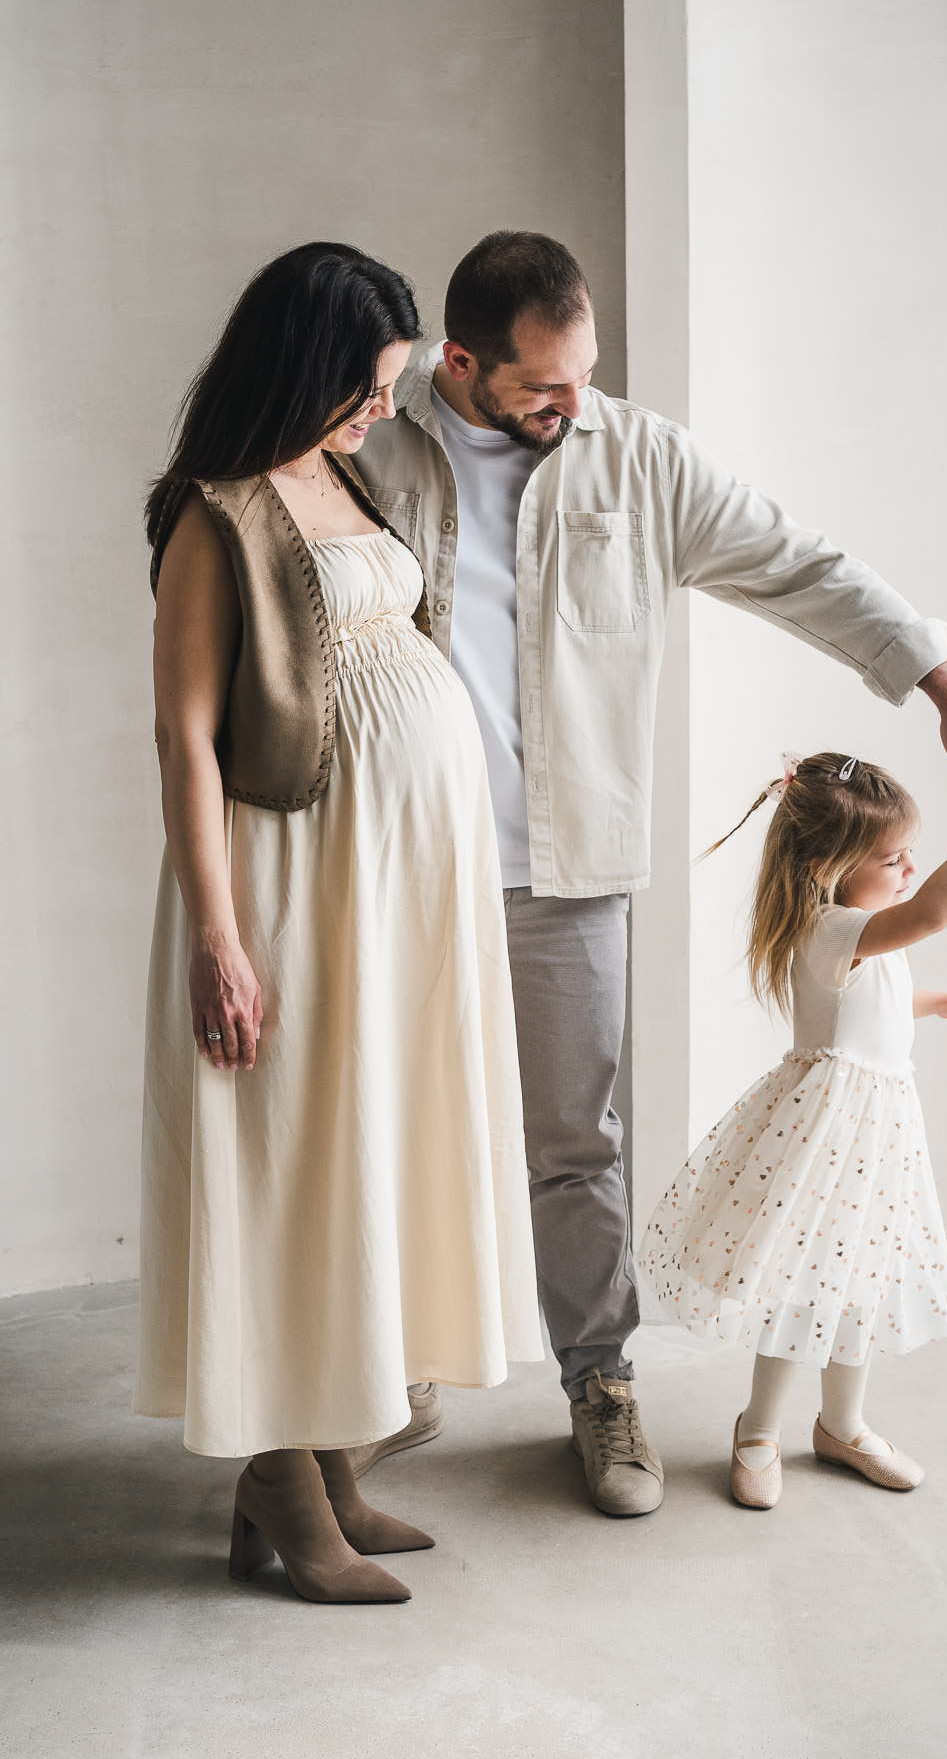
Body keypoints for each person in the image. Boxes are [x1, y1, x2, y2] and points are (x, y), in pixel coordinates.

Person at [349, 230, 947, 1518]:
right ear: (459, 362)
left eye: (586, 373)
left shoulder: (636, 457)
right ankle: (393, 1382)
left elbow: (800, 566)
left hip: (566, 868)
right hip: (396, 862)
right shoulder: (371, 448)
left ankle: (599, 1385)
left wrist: (940, 678)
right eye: (544, 385)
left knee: (573, 1143)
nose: (574, 402)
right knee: (392, 1126)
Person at [132, 242, 542, 1602]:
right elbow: (186, 739)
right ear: (302, 368)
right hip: (294, 881)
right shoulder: (216, 518)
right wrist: (219, 935)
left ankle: (328, 1459)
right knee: (296, 1155)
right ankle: (280, 1480)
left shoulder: (340, 473)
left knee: (363, 1146)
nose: (382, 410)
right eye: (364, 387)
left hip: (395, 889)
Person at [638, 751, 947, 1507]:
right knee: (799, 1286)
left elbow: (870, 997)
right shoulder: (828, 927)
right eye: (892, 858)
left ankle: (842, 1425)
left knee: (858, 1280)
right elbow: (930, 915)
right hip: (826, 1140)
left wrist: (934, 1001)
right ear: (826, 868)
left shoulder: (860, 936)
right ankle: (759, 1428)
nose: (910, 868)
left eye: (909, 853)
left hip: (877, 1134)